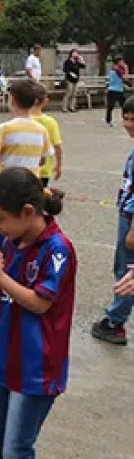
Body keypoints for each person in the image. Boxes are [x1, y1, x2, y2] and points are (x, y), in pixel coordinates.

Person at [0, 169, 75, 459]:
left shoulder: (57, 249)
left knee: (15, 449)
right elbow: (4, 295)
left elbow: (39, 303)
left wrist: (0, 277)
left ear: (28, 212)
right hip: (7, 360)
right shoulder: (12, 243)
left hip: (37, 368)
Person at [91, 98, 134, 345]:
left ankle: (115, 321)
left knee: (126, 270)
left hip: (131, 218)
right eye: (126, 118)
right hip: (127, 213)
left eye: (133, 120)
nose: (128, 125)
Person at [0, 80, 54, 179]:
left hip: (7, 182)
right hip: (31, 184)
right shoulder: (42, 130)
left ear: (12, 100)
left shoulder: (3, 129)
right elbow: (42, 160)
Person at [30, 83, 64, 187]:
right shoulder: (50, 122)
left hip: (24, 168)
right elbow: (57, 146)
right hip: (44, 169)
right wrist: (58, 165)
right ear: (45, 101)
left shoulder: (20, 121)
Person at [107, 57, 128, 127]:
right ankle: (110, 120)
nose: (123, 63)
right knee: (113, 106)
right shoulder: (117, 69)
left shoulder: (115, 68)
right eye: (121, 61)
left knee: (113, 106)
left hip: (117, 90)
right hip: (115, 90)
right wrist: (126, 68)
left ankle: (109, 120)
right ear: (118, 62)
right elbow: (125, 78)